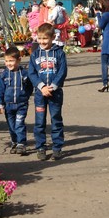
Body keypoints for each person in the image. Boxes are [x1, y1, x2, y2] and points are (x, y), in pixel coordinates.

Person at [27, 22, 68, 161]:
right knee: (39, 122)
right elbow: (31, 73)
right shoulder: (34, 55)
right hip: (40, 93)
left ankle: (57, 148)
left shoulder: (59, 53)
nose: (42, 41)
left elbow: (62, 71)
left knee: (56, 120)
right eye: (39, 38)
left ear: (53, 37)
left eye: (45, 38)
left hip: (55, 92)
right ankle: (41, 147)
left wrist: (54, 86)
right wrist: (41, 86)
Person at [0, 46, 33, 155]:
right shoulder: (4, 75)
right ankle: (14, 142)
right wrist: (0, 104)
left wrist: (26, 96)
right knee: (11, 125)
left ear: (19, 60)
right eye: (6, 61)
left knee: (19, 124)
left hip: (21, 104)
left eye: (11, 61)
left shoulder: (25, 74)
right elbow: (0, 91)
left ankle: (21, 143)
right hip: (8, 106)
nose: (9, 63)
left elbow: (30, 87)